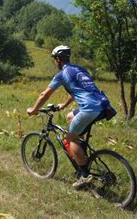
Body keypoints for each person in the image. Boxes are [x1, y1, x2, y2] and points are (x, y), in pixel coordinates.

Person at [27, 45, 112, 189]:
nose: (55, 62)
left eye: (55, 59)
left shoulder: (62, 74)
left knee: (70, 138)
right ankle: (82, 154)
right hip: (103, 107)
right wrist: (64, 105)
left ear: (58, 60)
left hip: (89, 109)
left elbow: (45, 94)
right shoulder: (80, 70)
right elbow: (76, 90)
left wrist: (34, 109)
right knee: (69, 116)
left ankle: (85, 175)